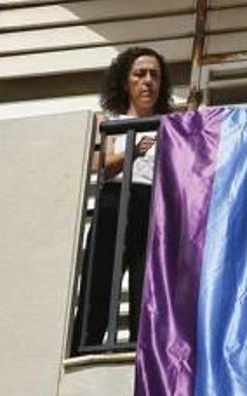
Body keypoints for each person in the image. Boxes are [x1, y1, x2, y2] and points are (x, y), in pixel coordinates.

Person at [75, 47, 172, 351]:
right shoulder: (108, 120)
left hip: (153, 206)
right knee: (100, 280)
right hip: (114, 202)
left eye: (154, 75)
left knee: (149, 286)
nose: (147, 81)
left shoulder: (170, 124)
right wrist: (132, 152)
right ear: (125, 81)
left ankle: (143, 352)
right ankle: (85, 346)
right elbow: (100, 166)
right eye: (139, 74)